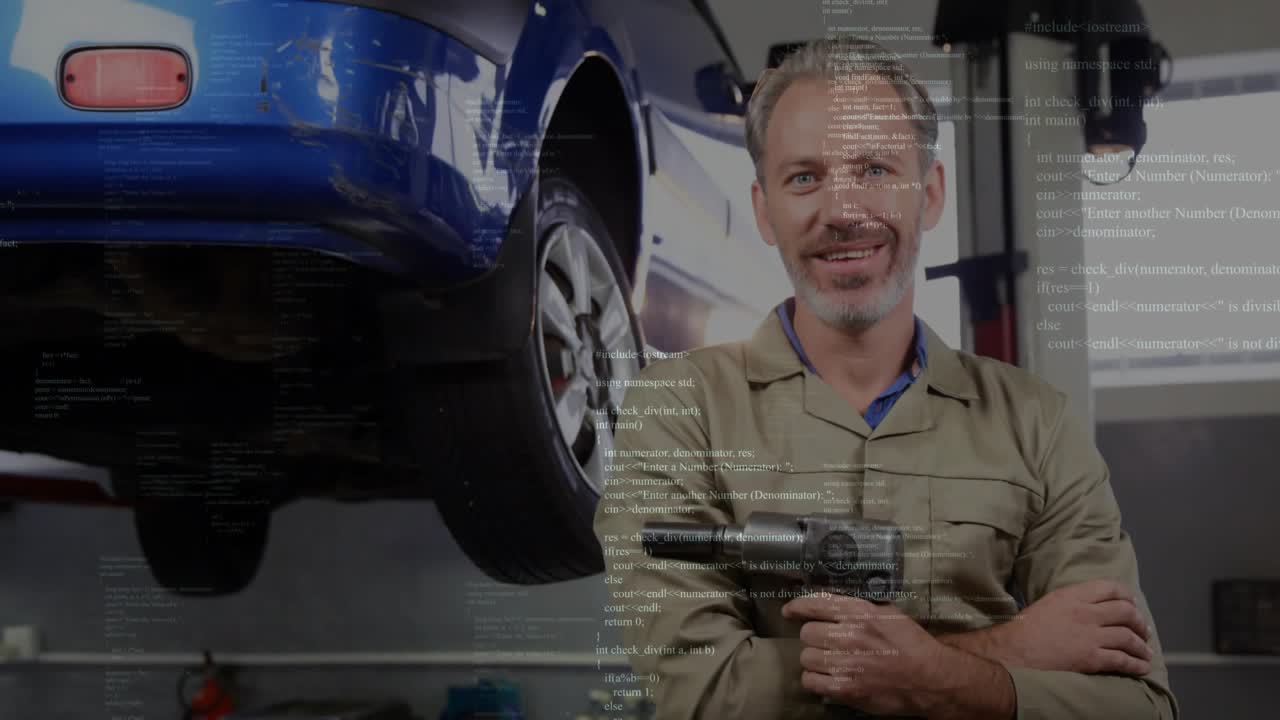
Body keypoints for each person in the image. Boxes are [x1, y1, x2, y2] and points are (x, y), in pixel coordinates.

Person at [592, 35, 1178, 720]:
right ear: (763, 210)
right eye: (804, 177)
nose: (842, 211)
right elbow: (704, 693)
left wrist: (923, 670)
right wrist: (996, 655)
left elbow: (1137, 706)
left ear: (929, 194)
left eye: (874, 169)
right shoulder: (678, 407)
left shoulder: (1037, 423)